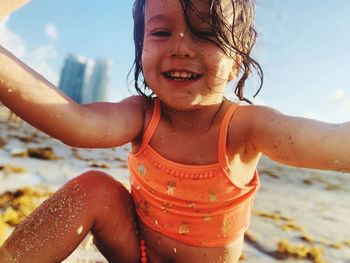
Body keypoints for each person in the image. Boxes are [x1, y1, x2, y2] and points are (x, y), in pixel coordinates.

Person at [0, 0, 349, 262]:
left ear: (236, 63)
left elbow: (329, 143)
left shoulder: (246, 127)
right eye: (161, 32)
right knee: (94, 187)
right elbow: (78, 124)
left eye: (207, 33)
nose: (180, 46)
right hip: (137, 251)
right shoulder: (142, 113)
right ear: (141, 49)